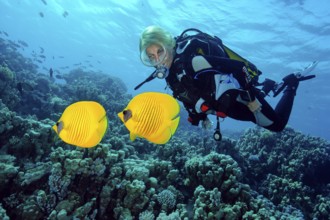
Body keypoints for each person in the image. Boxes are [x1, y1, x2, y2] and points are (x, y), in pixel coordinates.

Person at [136, 25, 316, 140]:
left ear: (169, 45)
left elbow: (238, 68)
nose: (158, 60)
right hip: (227, 107)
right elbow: (187, 95)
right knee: (264, 119)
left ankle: (291, 83)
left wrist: (251, 97)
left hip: (240, 97)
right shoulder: (171, 75)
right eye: (151, 57)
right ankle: (268, 87)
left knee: (277, 126)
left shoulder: (193, 62)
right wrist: (200, 116)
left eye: (160, 51)